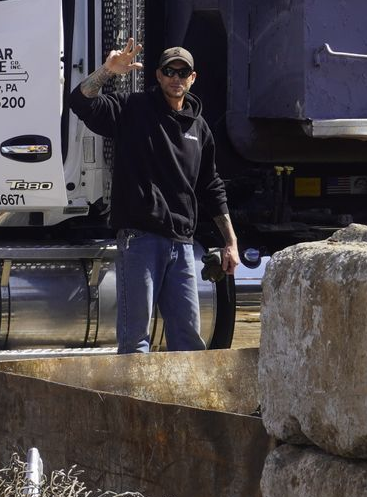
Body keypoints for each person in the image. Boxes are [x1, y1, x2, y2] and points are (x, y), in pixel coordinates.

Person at [68, 37, 239, 353]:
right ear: (158, 76)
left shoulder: (199, 129)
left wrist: (231, 241)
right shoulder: (133, 109)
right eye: (169, 72)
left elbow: (211, 187)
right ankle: (134, 403)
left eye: (182, 72)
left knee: (188, 340)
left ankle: (185, 402)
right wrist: (107, 71)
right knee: (135, 340)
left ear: (192, 77)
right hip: (140, 241)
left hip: (183, 246)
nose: (175, 78)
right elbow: (81, 102)